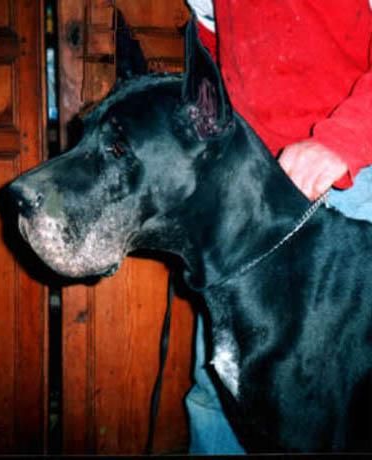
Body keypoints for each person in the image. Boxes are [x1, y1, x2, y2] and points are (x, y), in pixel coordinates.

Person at [184, 0, 372, 454]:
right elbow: (214, 43)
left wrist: (343, 141)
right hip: (249, 188)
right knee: (218, 382)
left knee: (341, 404)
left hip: (351, 171)